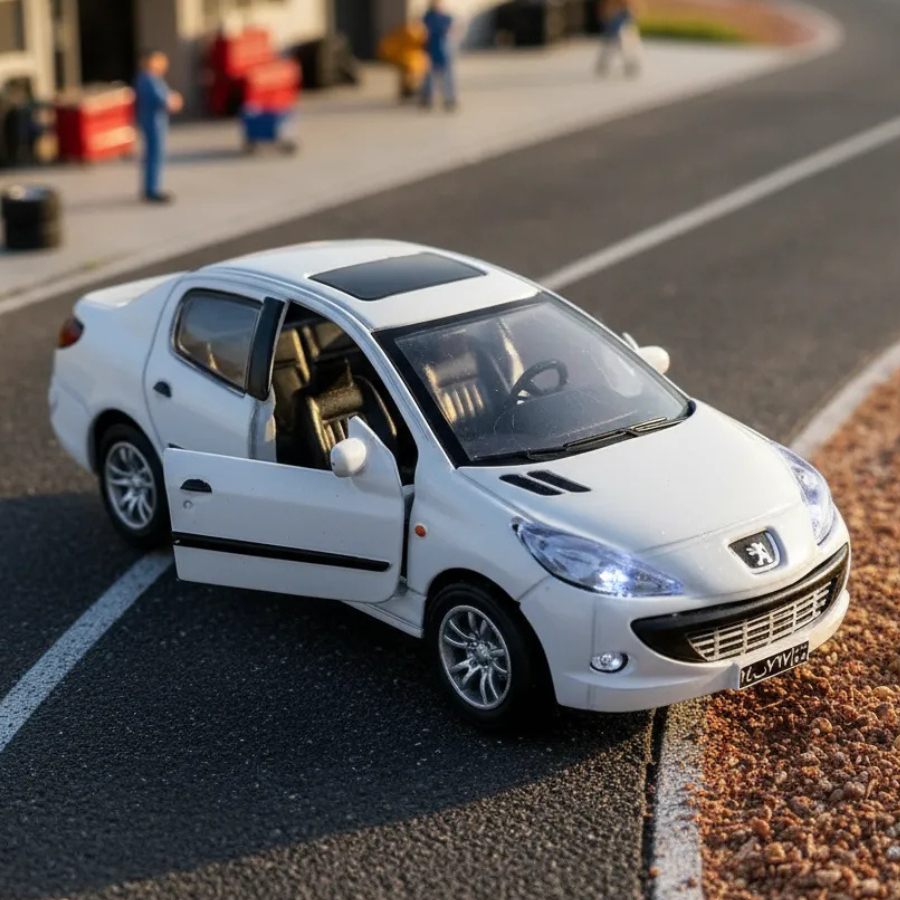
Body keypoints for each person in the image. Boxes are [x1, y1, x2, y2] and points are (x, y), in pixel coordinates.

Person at [134, 50, 183, 203]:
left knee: (152, 155)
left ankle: (151, 188)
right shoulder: (149, 79)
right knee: (155, 156)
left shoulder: (149, 79)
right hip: (153, 122)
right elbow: (163, 100)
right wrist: (174, 101)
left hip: (153, 121)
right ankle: (152, 189)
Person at [421, 1, 457, 111]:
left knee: (447, 77)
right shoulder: (427, 17)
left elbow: (453, 31)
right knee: (429, 77)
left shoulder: (446, 18)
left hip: (443, 50)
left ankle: (449, 99)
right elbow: (422, 32)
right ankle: (428, 98)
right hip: (431, 50)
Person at [596, 0, 642, 78]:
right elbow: (605, 18)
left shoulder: (625, 10)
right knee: (608, 50)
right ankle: (603, 64)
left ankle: (630, 66)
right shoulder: (611, 7)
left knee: (626, 51)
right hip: (612, 34)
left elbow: (632, 19)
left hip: (621, 35)